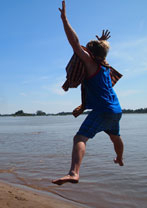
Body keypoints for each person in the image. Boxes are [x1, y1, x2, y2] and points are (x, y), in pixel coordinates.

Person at [52, 1, 124, 185]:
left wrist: (64, 20)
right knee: (115, 137)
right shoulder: (105, 66)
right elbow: (102, 50)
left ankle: (74, 172)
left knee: (80, 138)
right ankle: (119, 158)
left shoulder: (91, 64)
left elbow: (75, 43)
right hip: (116, 110)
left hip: (102, 110)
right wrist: (101, 41)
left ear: (91, 54)